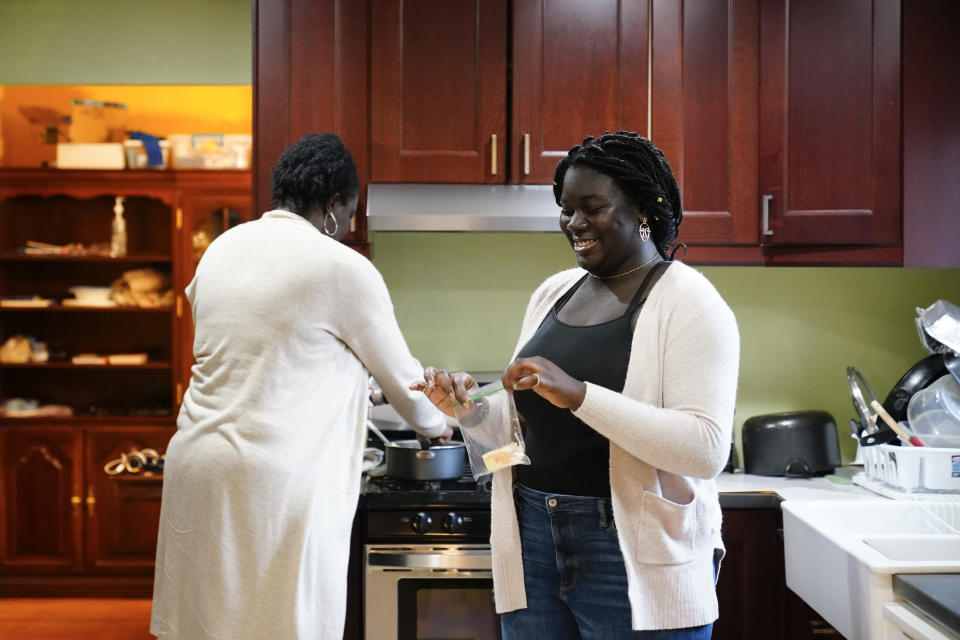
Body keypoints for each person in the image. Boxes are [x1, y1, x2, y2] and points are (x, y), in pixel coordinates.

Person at [414, 131, 739, 639]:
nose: (574, 223)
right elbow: (522, 433)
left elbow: (705, 449)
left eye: (592, 207)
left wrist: (582, 396)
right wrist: (467, 410)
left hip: (628, 554)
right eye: (566, 208)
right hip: (532, 539)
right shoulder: (554, 292)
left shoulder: (689, 300)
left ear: (643, 209)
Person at [150, 132, 450, 640]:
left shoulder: (223, 247)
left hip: (198, 469)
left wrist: (354, 387)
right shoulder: (341, 267)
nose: (350, 227)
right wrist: (440, 424)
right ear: (333, 205)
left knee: (204, 626)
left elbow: (260, 357)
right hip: (274, 485)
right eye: (351, 213)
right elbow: (411, 394)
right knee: (281, 626)